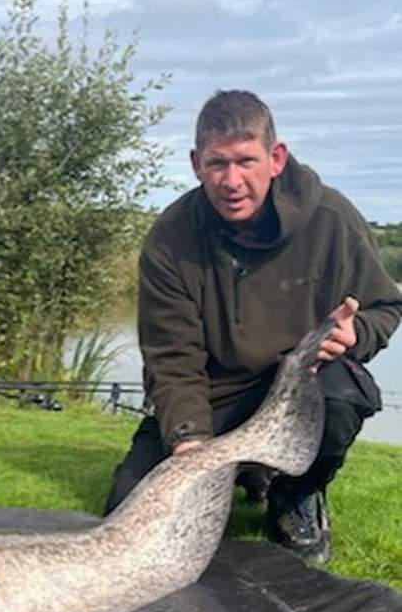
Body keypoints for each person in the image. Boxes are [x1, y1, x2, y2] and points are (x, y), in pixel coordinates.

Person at [105, 89, 402, 563]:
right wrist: (189, 445)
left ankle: (295, 494)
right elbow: (171, 358)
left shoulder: (332, 219)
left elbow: (386, 305)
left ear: (276, 157)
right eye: (217, 164)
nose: (232, 180)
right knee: (128, 510)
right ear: (196, 163)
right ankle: (245, 470)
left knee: (344, 394)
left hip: (296, 385)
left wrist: (358, 334)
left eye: (246, 161)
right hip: (215, 392)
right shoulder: (170, 237)